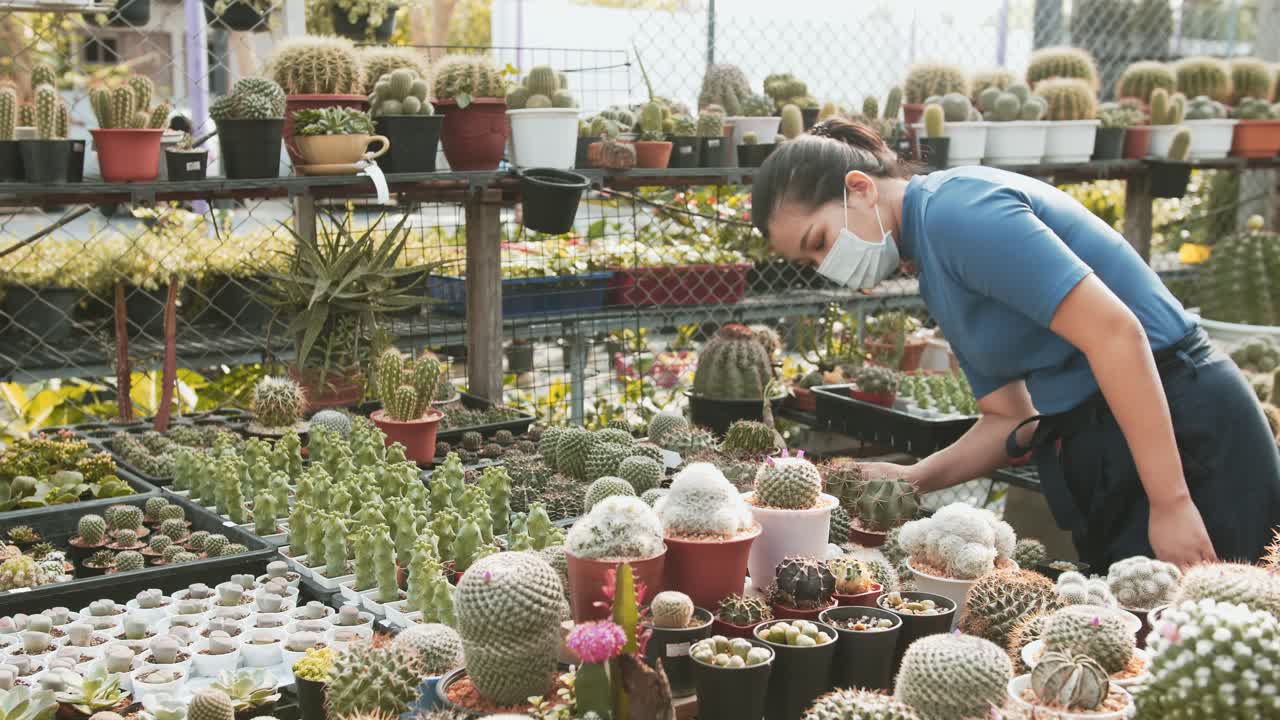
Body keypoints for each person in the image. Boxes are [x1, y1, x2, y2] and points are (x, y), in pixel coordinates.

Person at [751, 117, 1280, 570]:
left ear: (861, 188)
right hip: (1112, 444)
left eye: (819, 243)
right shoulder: (932, 257)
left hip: (1184, 435)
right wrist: (912, 479)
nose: (827, 266)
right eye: (810, 263)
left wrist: (1171, 501)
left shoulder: (959, 214)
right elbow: (1009, 420)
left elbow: (1116, 335)